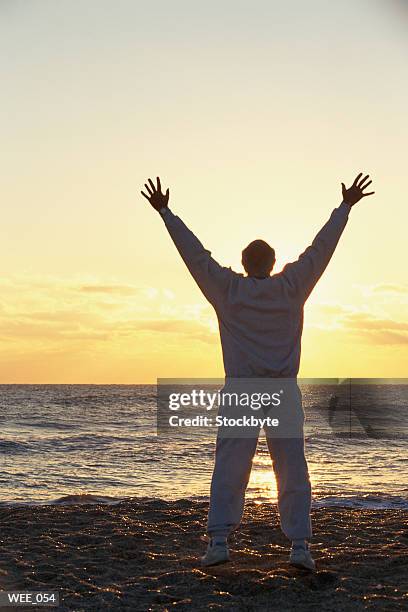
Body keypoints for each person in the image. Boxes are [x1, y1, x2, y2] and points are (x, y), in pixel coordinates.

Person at [141, 173, 374, 571]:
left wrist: (166, 213)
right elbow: (321, 250)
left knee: (231, 464)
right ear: (273, 263)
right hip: (282, 389)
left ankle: (218, 543)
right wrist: (345, 207)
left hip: (243, 389)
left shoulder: (228, 290)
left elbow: (195, 256)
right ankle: (300, 547)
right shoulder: (292, 286)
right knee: (291, 466)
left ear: (245, 264)